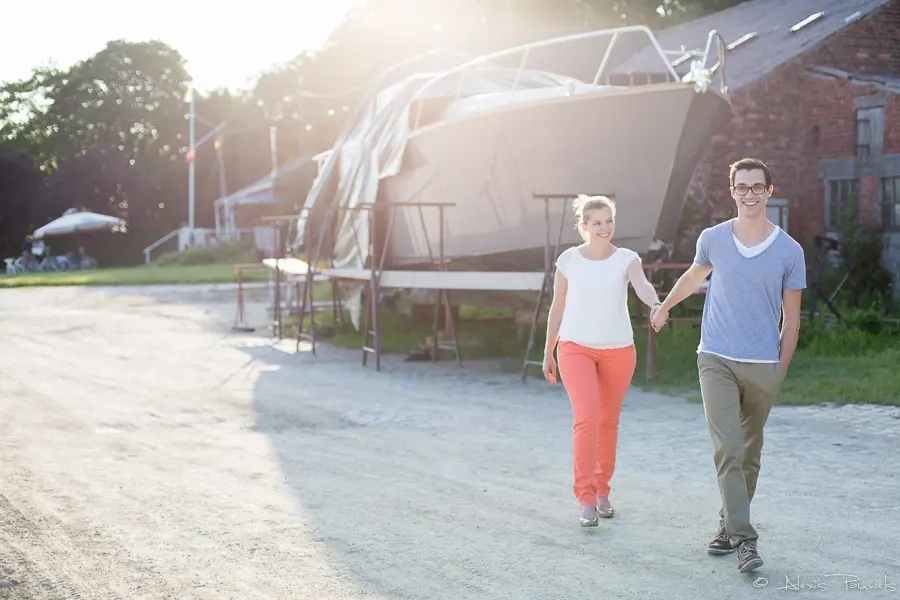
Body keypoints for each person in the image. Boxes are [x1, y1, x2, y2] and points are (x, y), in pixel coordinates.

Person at [650, 157, 806, 573]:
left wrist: (781, 366)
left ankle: (726, 524)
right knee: (729, 448)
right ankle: (745, 541)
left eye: (758, 187)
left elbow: (792, 318)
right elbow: (692, 276)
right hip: (715, 356)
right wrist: (665, 305)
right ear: (732, 191)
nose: (750, 193)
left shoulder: (790, 251)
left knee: (749, 454)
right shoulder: (713, 239)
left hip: (762, 363)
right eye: (743, 187)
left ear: (769, 192)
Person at [542, 194, 662, 527]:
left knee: (608, 422)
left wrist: (655, 306)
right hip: (574, 347)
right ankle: (585, 499)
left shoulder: (626, 258)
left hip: (619, 350)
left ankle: (602, 492)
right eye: (597, 223)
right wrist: (548, 349)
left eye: (609, 221)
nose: (604, 227)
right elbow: (557, 307)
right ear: (584, 227)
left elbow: (643, 285)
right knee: (587, 418)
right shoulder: (569, 260)